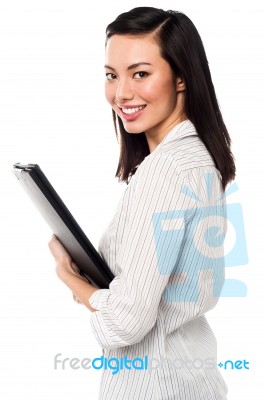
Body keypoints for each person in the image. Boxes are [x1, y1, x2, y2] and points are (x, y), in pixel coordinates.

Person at [48, 6, 235, 399]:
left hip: (155, 385)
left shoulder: (167, 170)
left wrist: (68, 275)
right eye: (111, 75)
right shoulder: (196, 159)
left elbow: (126, 321)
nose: (121, 93)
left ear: (181, 77)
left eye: (141, 74)